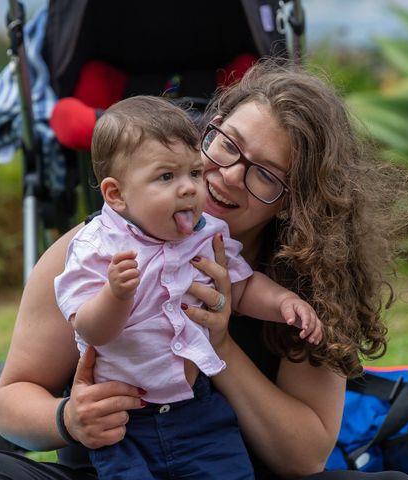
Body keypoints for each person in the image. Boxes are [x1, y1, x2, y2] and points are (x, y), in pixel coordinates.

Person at [0, 60, 408, 480]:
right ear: (209, 129)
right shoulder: (90, 252)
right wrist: (67, 418)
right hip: (115, 467)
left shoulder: (310, 282)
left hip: (237, 469)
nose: (227, 174)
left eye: (266, 174)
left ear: (297, 202)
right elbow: (10, 406)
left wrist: (219, 346)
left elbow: (305, 456)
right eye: (227, 144)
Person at [55, 95, 322, 479]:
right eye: (166, 177)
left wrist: (285, 302)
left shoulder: (205, 236)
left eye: (193, 174)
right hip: (126, 419)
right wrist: (115, 296)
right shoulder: (97, 246)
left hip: (195, 408)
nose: (189, 189)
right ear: (116, 194)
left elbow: (243, 288)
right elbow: (90, 329)